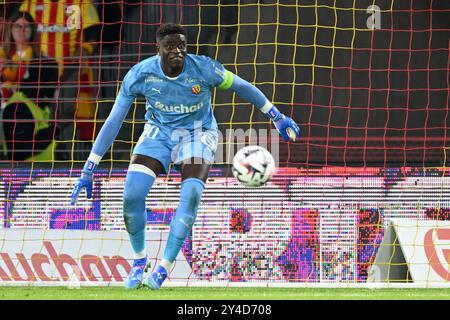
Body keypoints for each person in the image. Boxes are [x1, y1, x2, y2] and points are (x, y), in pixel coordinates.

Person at [70, 23, 300, 290]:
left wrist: (276, 116)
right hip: (158, 133)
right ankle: (139, 260)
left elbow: (242, 86)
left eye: (182, 45)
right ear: (159, 49)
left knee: (190, 194)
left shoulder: (204, 68)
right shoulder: (140, 75)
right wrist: (89, 168)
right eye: (171, 46)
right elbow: (113, 122)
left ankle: (162, 269)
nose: (178, 51)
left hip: (197, 133)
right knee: (131, 195)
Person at [20, 0, 101, 159]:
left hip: (74, 76)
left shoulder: (81, 3)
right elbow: (18, 31)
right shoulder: (29, 3)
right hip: (38, 80)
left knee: (77, 120)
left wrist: (85, 49)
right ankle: (55, 157)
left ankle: (84, 161)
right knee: (44, 120)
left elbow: (94, 34)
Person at [0, 11, 59, 161]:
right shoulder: (3, 59)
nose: (21, 30)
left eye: (26, 27)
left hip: (31, 121)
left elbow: (49, 94)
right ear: (10, 29)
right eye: (17, 26)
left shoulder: (47, 63)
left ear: (33, 30)